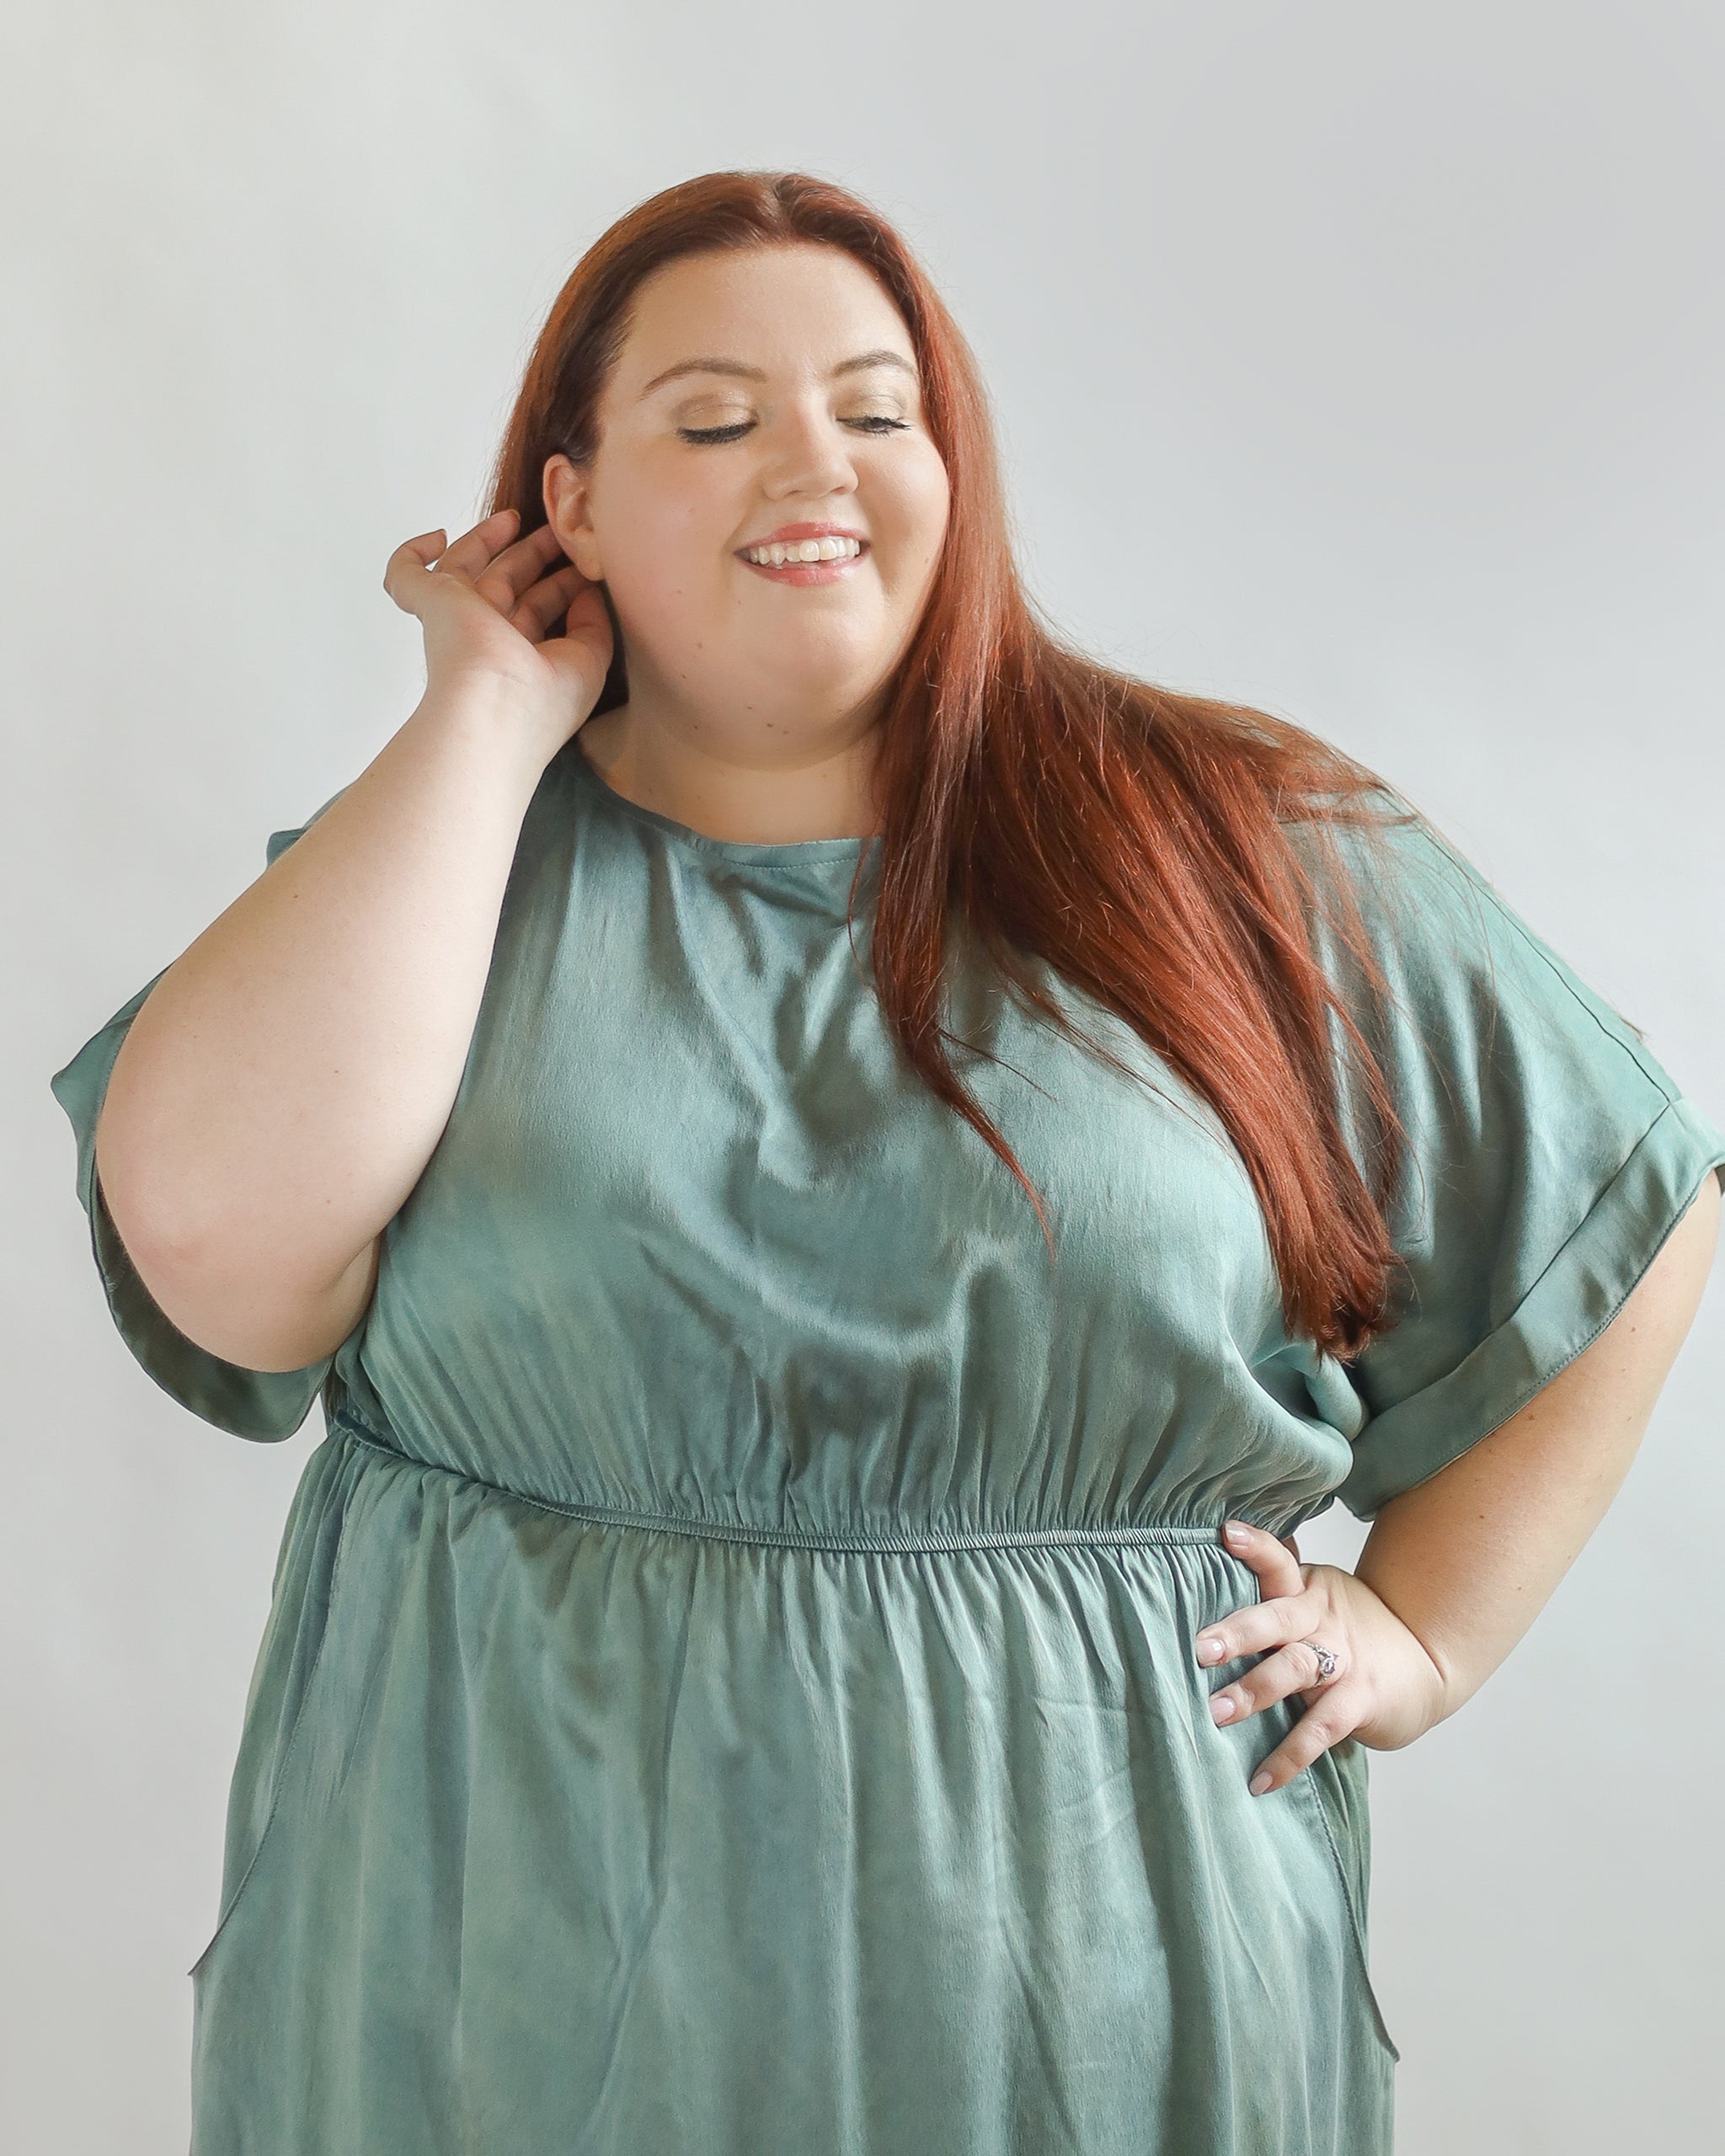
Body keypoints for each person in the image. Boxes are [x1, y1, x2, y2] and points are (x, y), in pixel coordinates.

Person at [51, 169, 1724, 2155]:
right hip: (503, 1967)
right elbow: (221, 1259)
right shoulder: (433, 878)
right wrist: (487, 711)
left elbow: (1633, 1203)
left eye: (875, 406)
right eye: (712, 417)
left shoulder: (1231, 847)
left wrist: (1423, 1630)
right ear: (567, 499)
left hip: (1096, 1987)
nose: (812, 462)